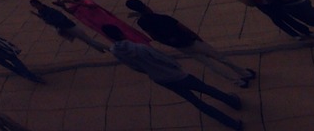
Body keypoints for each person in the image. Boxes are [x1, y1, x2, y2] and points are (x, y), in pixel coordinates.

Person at [102, 25, 242, 129]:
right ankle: (232, 102)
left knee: (195, 101)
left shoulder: (116, 52)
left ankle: (231, 123)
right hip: (175, 74)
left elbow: (134, 67)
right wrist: (175, 65)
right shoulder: (140, 48)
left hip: (160, 78)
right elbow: (163, 59)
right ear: (121, 33)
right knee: (206, 89)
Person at [125, 0, 255, 86]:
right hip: (190, 40)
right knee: (220, 58)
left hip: (179, 45)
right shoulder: (163, 17)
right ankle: (245, 73)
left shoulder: (142, 22)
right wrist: (197, 37)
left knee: (210, 64)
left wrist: (170, 42)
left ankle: (238, 82)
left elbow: (154, 36)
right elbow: (183, 27)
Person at [52, 0, 149, 43]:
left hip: (106, 20)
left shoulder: (85, 1)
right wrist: (63, 6)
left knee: (123, 31)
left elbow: (91, 5)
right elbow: (71, 12)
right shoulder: (74, 5)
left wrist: (71, 2)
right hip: (97, 24)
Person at [30, 0, 108, 52]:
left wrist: (50, 21)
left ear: (39, 3)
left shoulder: (49, 10)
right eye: (33, 6)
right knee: (86, 40)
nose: (35, 7)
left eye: (35, 5)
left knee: (88, 40)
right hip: (65, 27)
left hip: (69, 26)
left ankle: (108, 48)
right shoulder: (42, 12)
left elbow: (59, 19)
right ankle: (101, 49)